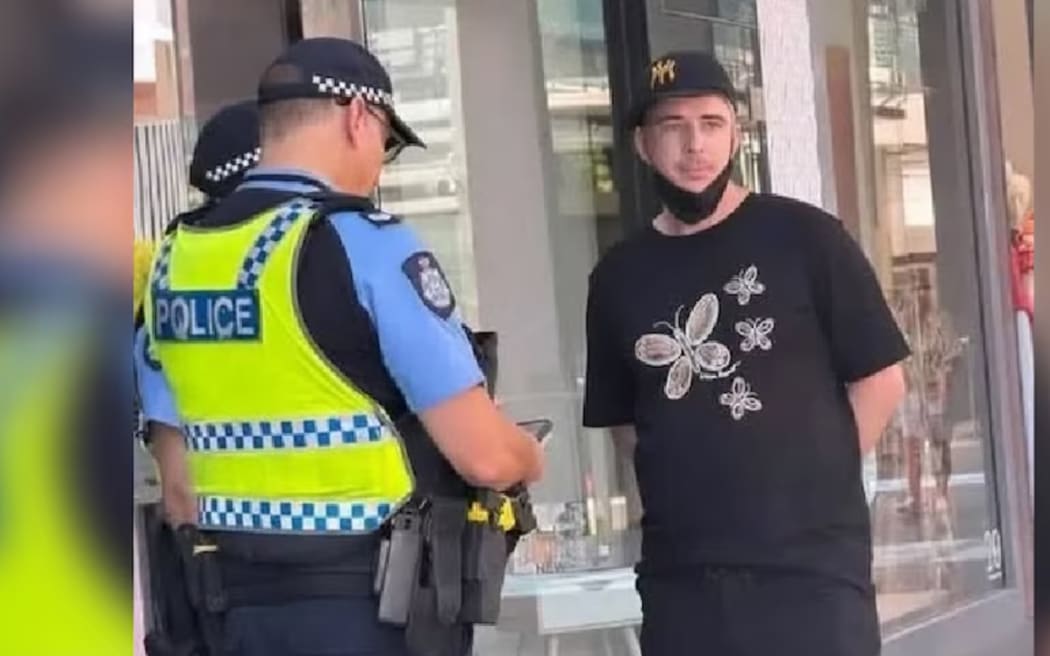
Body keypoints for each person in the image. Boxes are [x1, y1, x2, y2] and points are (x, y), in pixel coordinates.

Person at [139, 37, 543, 656]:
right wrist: (529, 457)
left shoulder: (175, 264)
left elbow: (178, 492)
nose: (380, 163)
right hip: (369, 611)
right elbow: (485, 457)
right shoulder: (364, 242)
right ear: (359, 117)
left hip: (234, 613)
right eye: (386, 140)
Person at [582, 51, 908, 656]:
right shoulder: (617, 277)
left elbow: (881, 380)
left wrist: (807, 487)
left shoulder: (807, 238)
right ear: (642, 145)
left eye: (710, 123)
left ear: (735, 133)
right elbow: (628, 427)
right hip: (683, 584)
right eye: (672, 127)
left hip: (810, 577)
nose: (693, 145)